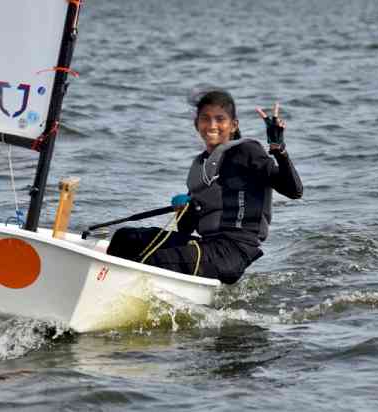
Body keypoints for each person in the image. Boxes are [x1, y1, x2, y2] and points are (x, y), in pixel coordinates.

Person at [106, 89, 303, 284]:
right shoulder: (200, 166)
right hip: (207, 245)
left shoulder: (247, 152)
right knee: (126, 238)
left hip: (233, 251)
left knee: (151, 262)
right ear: (196, 124)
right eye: (205, 118)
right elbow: (186, 229)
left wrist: (279, 149)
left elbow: (294, 191)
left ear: (233, 125)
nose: (212, 125)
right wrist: (184, 210)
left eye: (220, 119)